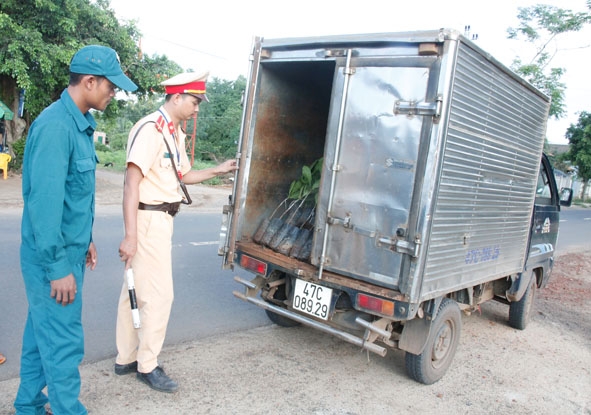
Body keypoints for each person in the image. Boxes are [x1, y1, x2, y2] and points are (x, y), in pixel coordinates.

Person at [15, 45, 137, 414]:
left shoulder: (77, 124)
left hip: (66, 249)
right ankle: (68, 409)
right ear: (88, 81)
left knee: (42, 335)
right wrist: (57, 268)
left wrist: (85, 241)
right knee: (64, 340)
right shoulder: (56, 127)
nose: (113, 93)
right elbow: (45, 206)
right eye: (110, 86)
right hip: (51, 257)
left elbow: (70, 200)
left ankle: (29, 405)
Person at [115, 72, 238, 393]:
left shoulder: (174, 132)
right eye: (195, 101)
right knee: (158, 295)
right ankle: (147, 365)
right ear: (177, 98)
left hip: (160, 220)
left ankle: (126, 357)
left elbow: (183, 174)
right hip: (147, 219)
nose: (197, 108)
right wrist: (130, 235)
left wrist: (218, 170)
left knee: (137, 291)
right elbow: (131, 183)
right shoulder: (150, 129)